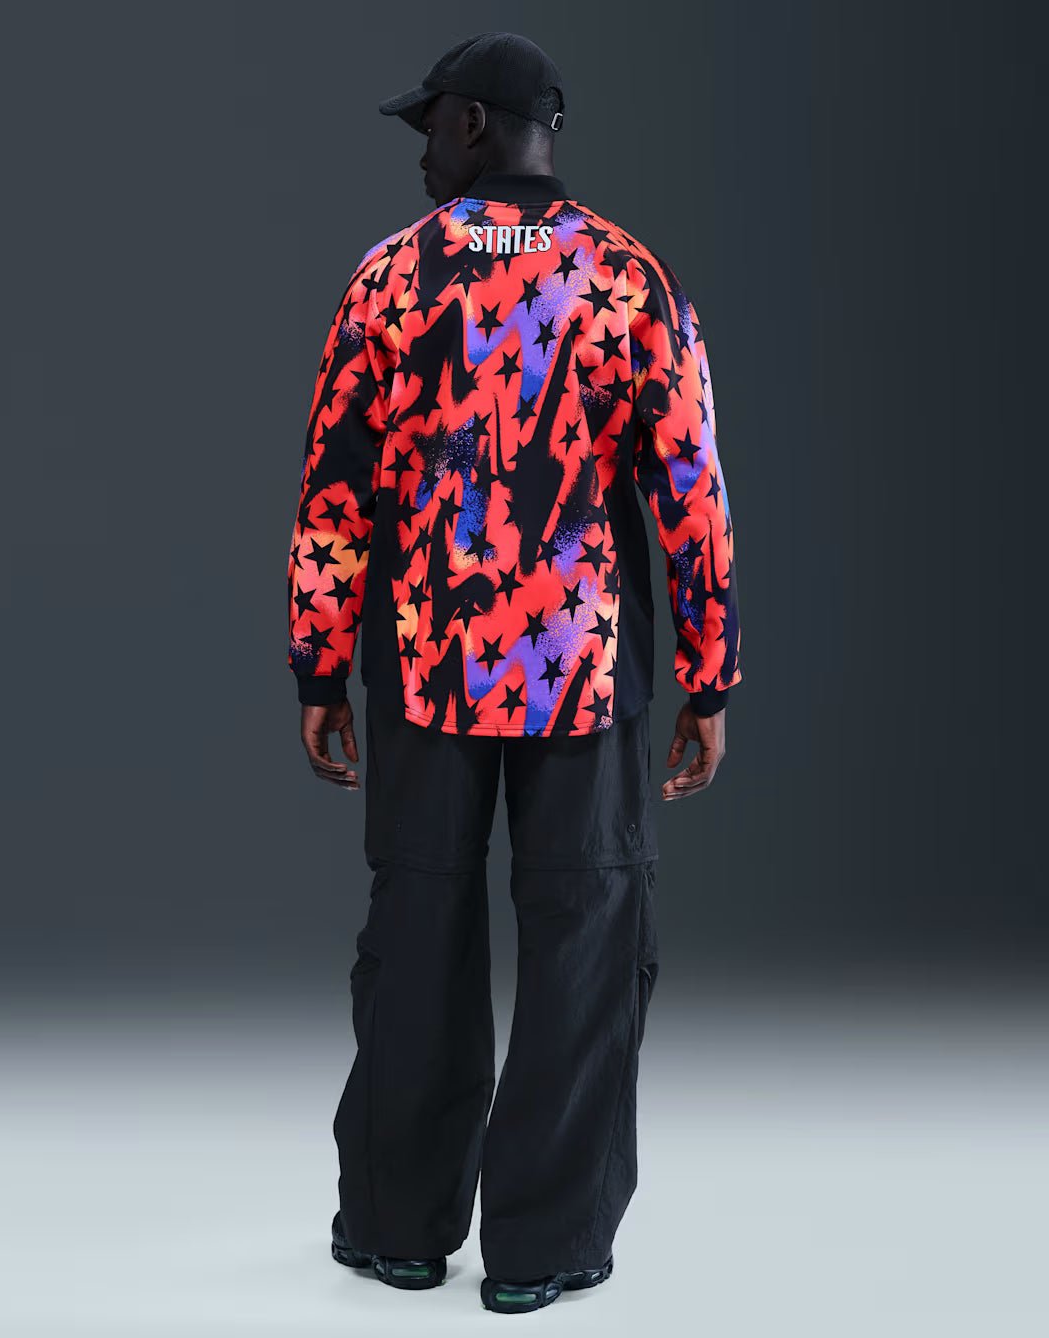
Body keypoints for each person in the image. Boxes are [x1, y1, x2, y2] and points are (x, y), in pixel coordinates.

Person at [285, 30, 742, 1315]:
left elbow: (334, 491)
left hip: (422, 660)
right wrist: (706, 677)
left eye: (428, 124)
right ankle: (546, 1245)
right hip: (580, 669)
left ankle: (395, 1226)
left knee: (415, 935)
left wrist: (319, 664)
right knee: (586, 942)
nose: (420, 151)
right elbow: (691, 495)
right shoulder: (629, 278)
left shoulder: (390, 277)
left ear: (475, 124)